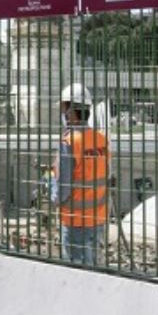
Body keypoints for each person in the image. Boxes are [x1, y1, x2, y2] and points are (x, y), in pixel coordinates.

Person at [50, 83, 110, 266]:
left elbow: (62, 189)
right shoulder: (101, 139)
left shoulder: (68, 142)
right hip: (98, 218)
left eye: (64, 107)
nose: (62, 112)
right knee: (94, 267)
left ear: (71, 111)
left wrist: (52, 192)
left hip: (75, 220)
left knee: (77, 273)